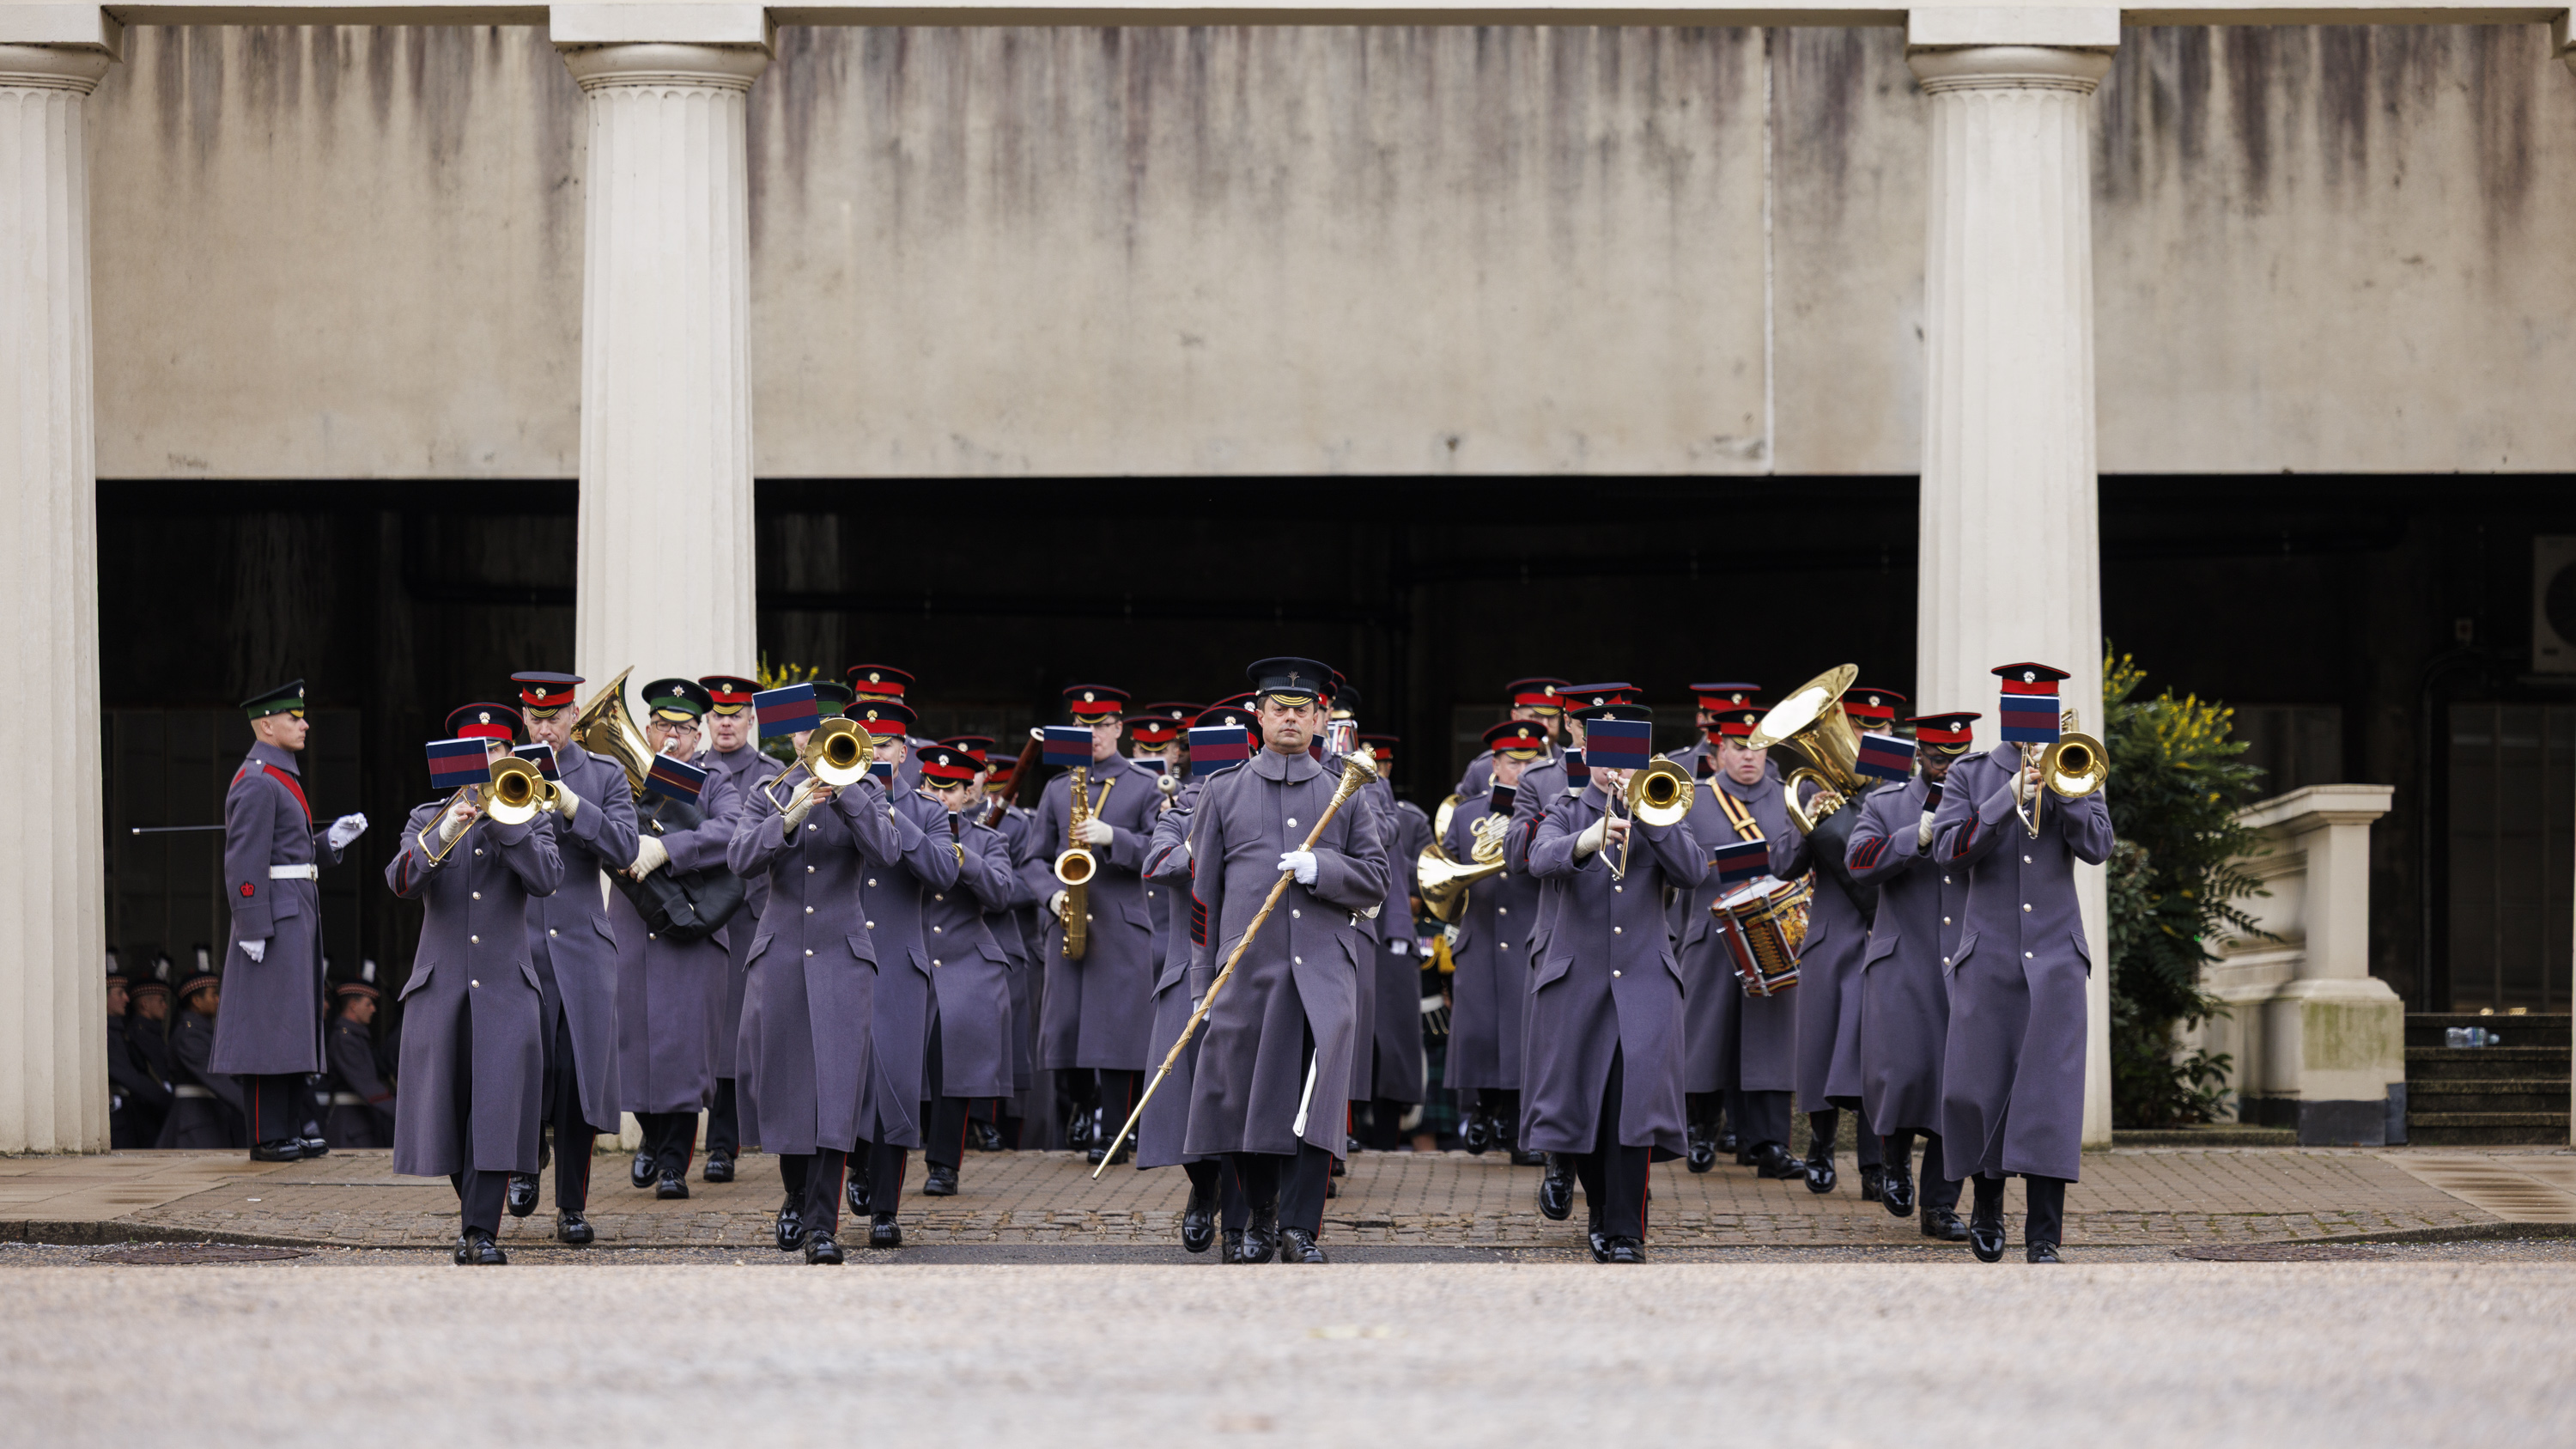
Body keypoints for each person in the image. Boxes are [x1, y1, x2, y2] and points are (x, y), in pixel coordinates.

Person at [1182, 658, 1389, 1264]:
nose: (1291, 718)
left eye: (1302, 709)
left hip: (1323, 971)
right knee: (1248, 1099)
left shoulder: (1344, 789)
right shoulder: (1224, 790)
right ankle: (1260, 1221)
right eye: (1279, 708)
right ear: (1260, 713)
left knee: (1314, 1103)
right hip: (1246, 971)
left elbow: (1376, 878)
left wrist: (1324, 869)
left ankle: (1301, 1228)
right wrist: (1204, 980)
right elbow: (1203, 898)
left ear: (1319, 716)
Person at [1931, 665, 2111, 1264]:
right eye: (2022, 702)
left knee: (2049, 1094)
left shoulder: (2079, 765)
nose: (2031, 711)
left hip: (2057, 957)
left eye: (2042, 701)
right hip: (1988, 954)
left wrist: (2068, 793)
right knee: (1980, 1086)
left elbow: (2098, 847)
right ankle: (1986, 1208)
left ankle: (2044, 1234)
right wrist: (2004, 800)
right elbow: (1949, 850)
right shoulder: (1970, 772)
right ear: (2008, 710)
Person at [1523, 702, 1706, 1263]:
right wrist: (1586, 839)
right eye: (1605, 754)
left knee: (1635, 1102)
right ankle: (1601, 1208)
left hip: (1645, 980)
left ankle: (1625, 1228)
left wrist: (1652, 818)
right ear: (1585, 753)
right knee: (1581, 1107)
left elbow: (1695, 870)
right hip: (1577, 979)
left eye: (1625, 753)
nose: (1614, 767)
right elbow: (1537, 857)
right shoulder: (1563, 806)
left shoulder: (1663, 802)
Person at [726, 696, 907, 1265]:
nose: (813, 743)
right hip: (780, 953)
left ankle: (822, 1227)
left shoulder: (868, 792)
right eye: (805, 735)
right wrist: (790, 815)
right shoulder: (769, 793)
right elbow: (738, 858)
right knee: (785, 1086)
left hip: (841, 955)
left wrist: (849, 792)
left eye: (823, 734)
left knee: (835, 1088)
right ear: (793, 742)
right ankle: (798, 1192)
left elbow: (888, 850)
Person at [387, 714, 566, 1265]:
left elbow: (547, 878)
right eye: (476, 750)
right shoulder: (427, 816)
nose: (487, 759)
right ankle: (475, 1215)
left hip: (506, 991)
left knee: (497, 1108)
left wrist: (503, 821)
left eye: (496, 749)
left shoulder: (530, 815)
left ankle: (479, 1232)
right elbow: (400, 879)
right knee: (447, 1111)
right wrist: (447, 829)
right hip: (441, 990)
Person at [503, 675, 639, 1242]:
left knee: (581, 1076)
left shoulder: (604, 775)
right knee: (527, 1066)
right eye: (534, 718)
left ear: (574, 713)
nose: (543, 728)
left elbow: (626, 849)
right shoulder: (505, 770)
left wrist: (574, 803)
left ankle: (574, 1205)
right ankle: (525, 1159)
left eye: (553, 716)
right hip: (524, 943)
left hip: (583, 943)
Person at [214, 679, 368, 1162]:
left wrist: (331, 842)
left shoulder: (279, 777)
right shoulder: (258, 780)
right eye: (293, 717)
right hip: (274, 919)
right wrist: (252, 925)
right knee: (267, 1028)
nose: (304, 724)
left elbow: (291, 853)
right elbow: (244, 863)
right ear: (266, 724)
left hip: (294, 911)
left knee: (290, 1027)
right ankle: (266, 1135)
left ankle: (286, 1126)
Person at [1845, 710, 1980, 1242]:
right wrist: (1915, 836)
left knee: (1960, 1084)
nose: (1948, 770)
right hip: (1904, 957)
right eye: (1938, 759)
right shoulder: (1885, 803)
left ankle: (1941, 1205)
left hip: (1964, 958)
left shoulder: (1984, 800)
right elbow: (1858, 862)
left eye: (1959, 760)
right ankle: (1893, 1160)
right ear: (1920, 756)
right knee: (1900, 1074)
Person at [1017, 685, 1163, 1163]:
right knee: (1067, 1026)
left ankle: (1117, 1131)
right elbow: (1032, 859)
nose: (1094, 734)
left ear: (1119, 728)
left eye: (1103, 725)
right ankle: (1083, 1102)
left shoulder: (1144, 784)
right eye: (1085, 726)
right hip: (1069, 918)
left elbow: (1160, 852)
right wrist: (1052, 895)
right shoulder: (1060, 788)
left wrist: (1112, 836)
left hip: (1120, 924)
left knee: (1119, 1032)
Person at [1772, 685, 1906, 1200]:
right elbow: (1784, 866)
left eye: (1883, 731)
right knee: (1820, 1049)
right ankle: (1821, 1147)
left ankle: (1876, 1165)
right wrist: (1810, 819)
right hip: (1830, 942)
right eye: (1861, 730)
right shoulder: (1816, 790)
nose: (1871, 738)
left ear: (1894, 735)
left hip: (1882, 939)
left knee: (1878, 1055)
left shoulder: (1902, 791)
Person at [615, 679, 740, 1197]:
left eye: (683, 729)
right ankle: (650, 1134)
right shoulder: (626, 776)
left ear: (698, 735)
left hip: (692, 928)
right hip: (632, 923)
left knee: (684, 1051)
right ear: (648, 729)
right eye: (663, 725)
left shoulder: (715, 778)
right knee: (632, 1044)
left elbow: (733, 828)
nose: (672, 736)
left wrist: (670, 849)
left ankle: (672, 1163)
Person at [848, 700, 963, 1247]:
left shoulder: (927, 809)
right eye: (864, 745)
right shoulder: (832, 798)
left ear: (904, 752)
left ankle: (887, 1210)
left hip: (898, 960)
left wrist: (897, 818)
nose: (875, 755)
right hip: (842, 956)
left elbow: (943, 873)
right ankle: (851, 1167)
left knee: (893, 1085)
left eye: (886, 746)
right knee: (842, 1078)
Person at [1683, 703, 1806, 1180]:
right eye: (1738, 748)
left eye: (1757, 748)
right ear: (1718, 754)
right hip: (1711, 932)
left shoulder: (1787, 796)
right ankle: (1700, 1132)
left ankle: (1770, 1144)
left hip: (1773, 935)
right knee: (1705, 1038)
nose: (1749, 758)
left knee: (1770, 1042)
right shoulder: (1693, 796)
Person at [914, 742, 1021, 1197]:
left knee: (952, 1070)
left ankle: (943, 1165)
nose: (940, 797)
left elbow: (1001, 894)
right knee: (901, 1067)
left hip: (963, 964)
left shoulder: (988, 839)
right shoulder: (902, 831)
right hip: (912, 961)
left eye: (950, 789)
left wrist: (961, 856)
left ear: (967, 793)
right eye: (931, 786)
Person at [1441, 720, 1549, 1165]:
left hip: (1526, 933)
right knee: (1481, 1033)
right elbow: (1445, 871)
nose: (1520, 771)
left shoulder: (1550, 810)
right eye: (1512, 762)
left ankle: (1521, 1127)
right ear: (1495, 766)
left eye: (1530, 762)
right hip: (1481, 935)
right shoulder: (1468, 814)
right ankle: (1484, 1108)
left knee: (1526, 1034)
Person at [694, 672, 781, 1182]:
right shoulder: (688, 770)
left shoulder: (771, 772)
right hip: (697, 913)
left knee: (733, 1032)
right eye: (718, 715)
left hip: (750, 914)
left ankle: (723, 1144)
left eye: (735, 714)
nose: (725, 724)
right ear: (707, 721)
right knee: (691, 1026)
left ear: (751, 719)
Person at [1354, 735, 1431, 1151]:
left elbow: (1410, 878)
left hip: (1389, 926)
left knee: (1392, 1042)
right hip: (1354, 918)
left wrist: (1402, 925)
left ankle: (1384, 1137)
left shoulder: (1402, 811)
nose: (1378, 770)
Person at [157, 971, 246, 1148]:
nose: (218, 1000)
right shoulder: (189, 1035)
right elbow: (215, 1076)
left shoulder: (202, 1032)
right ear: (196, 1001)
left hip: (208, 1116)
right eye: (213, 994)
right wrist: (253, 1109)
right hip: (196, 1120)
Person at [1453, 678, 1568, 797]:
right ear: (1515, 716)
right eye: (1536, 717)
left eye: (1552, 717)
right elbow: (1462, 811)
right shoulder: (1482, 768)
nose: (1546, 726)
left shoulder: (1570, 764)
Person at [322, 969, 397, 1148]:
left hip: (362, 1122)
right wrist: (405, 1115)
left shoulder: (356, 1038)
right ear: (354, 1005)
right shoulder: (344, 1039)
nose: (374, 1009)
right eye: (369, 1004)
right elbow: (368, 1086)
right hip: (351, 1126)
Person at [106, 963, 173, 1149]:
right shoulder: (106, 1034)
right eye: (120, 993)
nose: (126, 998)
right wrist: (167, 1100)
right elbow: (128, 1076)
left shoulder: (117, 1032)